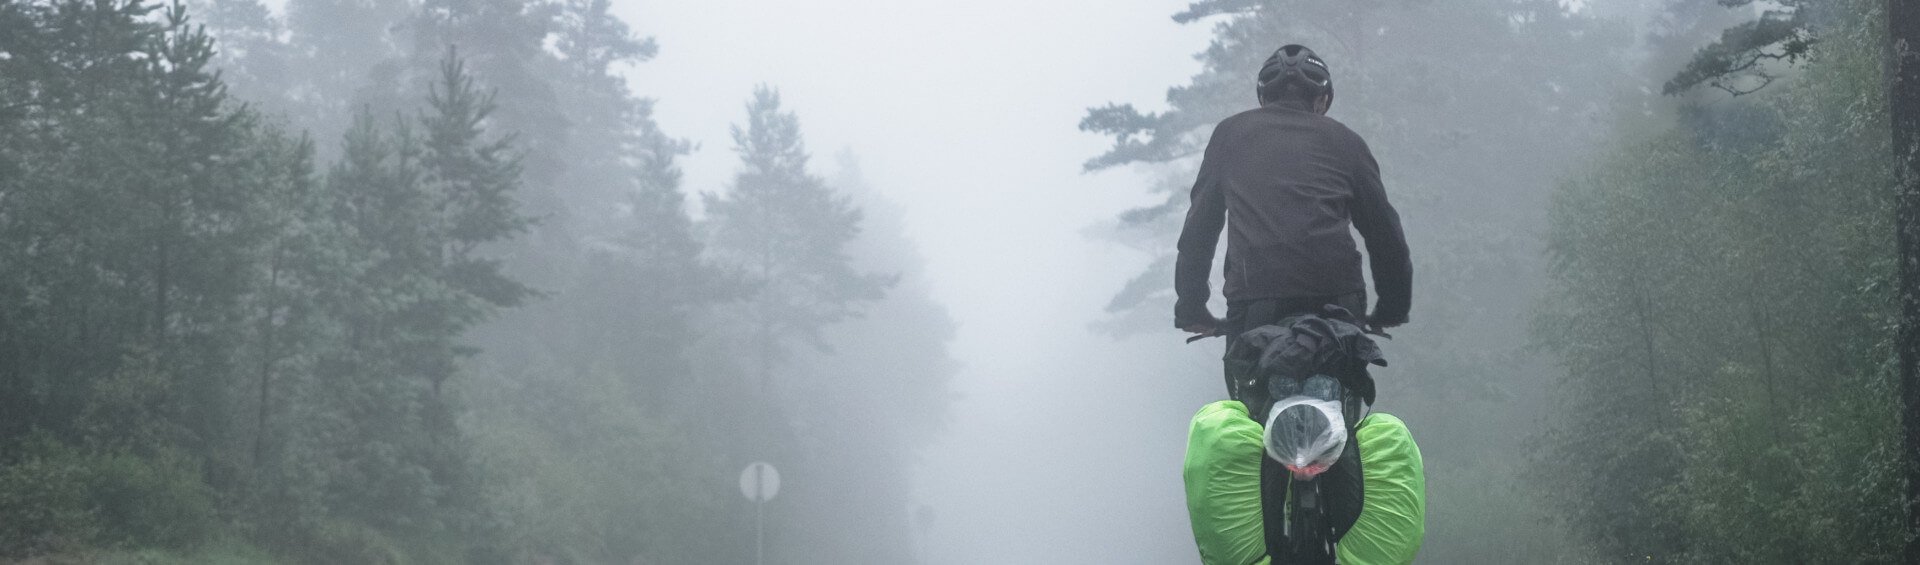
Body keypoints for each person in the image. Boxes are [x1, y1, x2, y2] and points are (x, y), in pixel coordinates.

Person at [1173, 44, 1412, 402]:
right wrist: (1392, 307)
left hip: (1255, 306)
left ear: (1262, 96)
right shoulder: (1347, 142)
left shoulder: (1229, 136)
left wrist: (1191, 306)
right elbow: (1385, 235)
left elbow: (1199, 232)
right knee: (1341, 409)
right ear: (1323, 99)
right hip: (1337, 305)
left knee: (1252, 421)